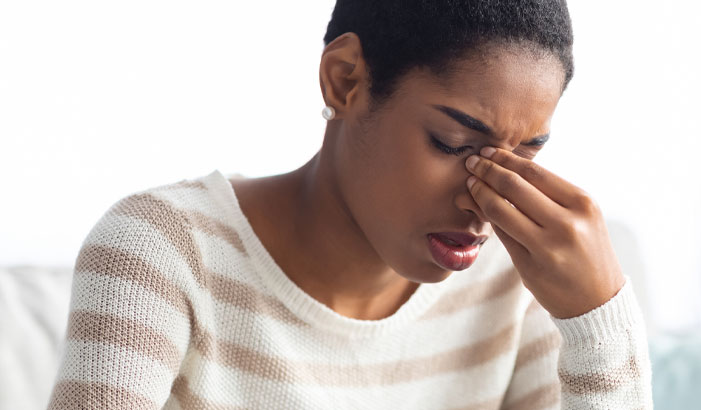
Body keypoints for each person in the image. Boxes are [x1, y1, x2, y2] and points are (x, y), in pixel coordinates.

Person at [47, 0, 654, 408]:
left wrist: (598, 320)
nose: (486, 202)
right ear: (345, 80)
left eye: (526, 157)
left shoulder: (518, 289)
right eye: (455, 143)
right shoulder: (161, 254)